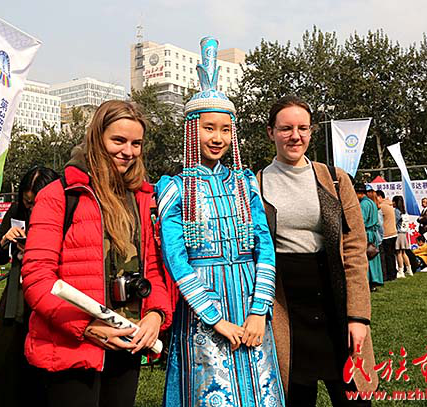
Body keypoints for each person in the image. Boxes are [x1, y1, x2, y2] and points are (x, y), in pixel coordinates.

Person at [156, 37, 284, 407]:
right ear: (191, 130)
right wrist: (215, 318)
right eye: (209, 128)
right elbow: (176, 260)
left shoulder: (245, 183)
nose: (218, 138)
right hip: (203, 313)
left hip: (250, 304)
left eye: (226, 130)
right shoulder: (174, 188)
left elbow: (265, 248)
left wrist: (259, 312)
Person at [21, 100, 173, 407]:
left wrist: (156, 314)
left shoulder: (141, 197)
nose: (128, 151)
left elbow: (153, 268)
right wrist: (87, 327)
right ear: (97, 138)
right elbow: (37, 277)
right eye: (118, 140)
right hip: (71, 349)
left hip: (127, 344)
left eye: (136, 143)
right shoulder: (60, 195)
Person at [261, 95, 377, 405]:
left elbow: (354, 251)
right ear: (271, 132)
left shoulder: (336, 180)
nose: (295, 136)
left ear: (311, 132)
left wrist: (358, 317)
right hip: (288, 312)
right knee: (297, 397)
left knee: (354, 397)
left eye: (303, 128)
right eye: (286, 128)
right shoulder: (255, 185)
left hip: (335, 307)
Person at [0, 166, 59, 407]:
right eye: (28, 203)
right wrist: (6, 240)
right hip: (16, 298)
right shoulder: (16, 211)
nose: (32, 208)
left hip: (52, 296)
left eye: (37, 203)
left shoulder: (62, 212)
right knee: (5, 363)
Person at [356, 184, 383, 291]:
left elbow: (361, 220)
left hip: (367, 233)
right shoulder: (371, 202)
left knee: (367, 258)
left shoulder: (363, 204)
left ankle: (368, 282)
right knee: (373, 257)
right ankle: (375, 281)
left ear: (359, 193)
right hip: (373, 234)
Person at [376, 190, 397, 281]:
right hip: (393, 233)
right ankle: (393, 273)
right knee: (391, 255)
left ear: (380, 197)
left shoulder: (382, 206)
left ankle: (389, 274)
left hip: (387, 234)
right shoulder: (389, 205)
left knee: (387, 256)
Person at [392, 195, 413, 278]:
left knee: (398, 253)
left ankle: (401, 271)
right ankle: (409, 269)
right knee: (404, 253)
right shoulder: (404, 212)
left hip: (398, 234)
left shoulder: (396, 211)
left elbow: (394, 222)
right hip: (404, 234)